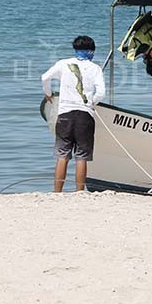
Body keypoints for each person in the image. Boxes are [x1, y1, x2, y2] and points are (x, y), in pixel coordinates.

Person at [41, 36, 106, 192]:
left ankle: (57, 192)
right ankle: (79, 192)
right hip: (85, 115)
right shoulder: (95, 68)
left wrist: (48, 93)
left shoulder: (63, 64)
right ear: (91, 51)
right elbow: (101, 93)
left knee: (62, 155)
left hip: (65, 114)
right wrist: (91, 102)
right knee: (82, 156)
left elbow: (45, 77)